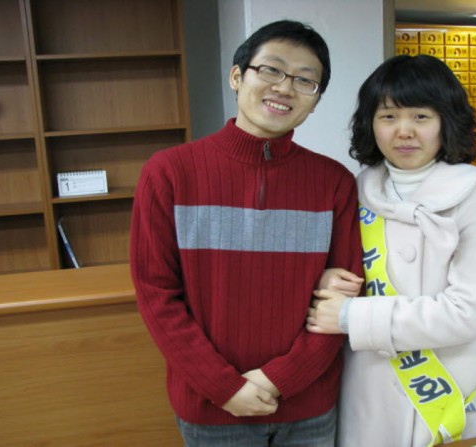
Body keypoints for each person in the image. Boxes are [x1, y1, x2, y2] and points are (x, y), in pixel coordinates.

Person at [130, 20, 362, 447]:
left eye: (305, 80)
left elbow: (342, 302)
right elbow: (156, 295)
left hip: (309, 407)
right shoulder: (169, 173)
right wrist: (224, 387)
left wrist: (280, 379)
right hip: (213, 408)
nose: (284, 88)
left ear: (315, 101)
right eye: (271, 70)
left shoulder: (335, 182)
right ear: (237, 76)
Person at [306, 54, 476, 446]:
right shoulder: (358, 189)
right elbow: (339, 270)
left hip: (453, 383)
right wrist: (329, 277)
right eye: (388, 117)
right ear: (371, 124)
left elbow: (469, 311)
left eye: (420, 116)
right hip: (371, 383)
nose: (404, 131)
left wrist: (352, 315)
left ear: (445, 121)